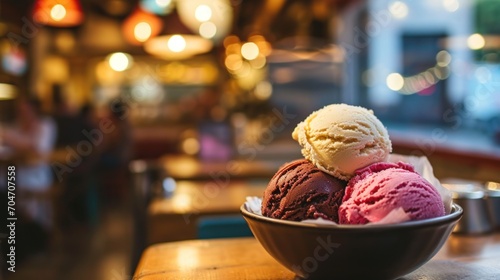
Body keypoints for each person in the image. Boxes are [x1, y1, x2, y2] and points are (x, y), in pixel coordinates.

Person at [0, 96, 57, 259]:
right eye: (20, 110)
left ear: (35, 110)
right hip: (13, 175)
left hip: (35, 176)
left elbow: (36, 150)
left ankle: (25, 243)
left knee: (10, 195)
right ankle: (15, 244)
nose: (23, 113)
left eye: (26, 110)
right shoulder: (16, 126)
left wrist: (12, 141)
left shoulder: (45, 126)